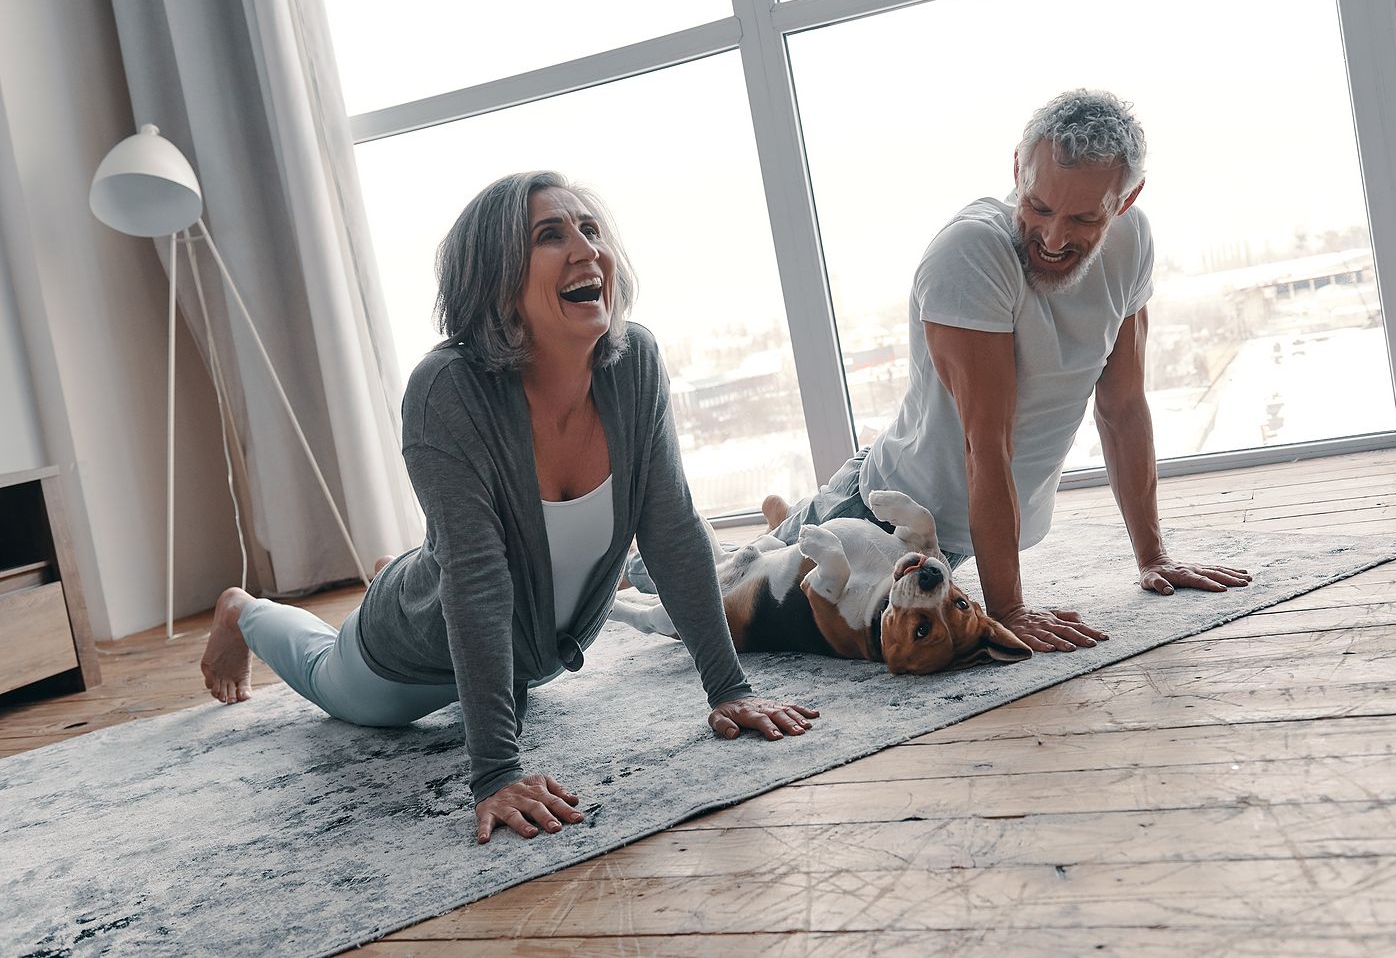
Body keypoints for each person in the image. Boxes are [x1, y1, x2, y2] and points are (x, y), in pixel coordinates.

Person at [200, 171, 819, 845]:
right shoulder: (447, 389)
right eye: (550, 236)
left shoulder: (634, 361)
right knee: (335, 684)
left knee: (469, 597)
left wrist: (728, 688)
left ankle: (399, 571)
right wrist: (496, 773)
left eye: (589, 228)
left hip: (531, 649)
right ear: (495, 280)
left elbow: (671, 531)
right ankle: (246, 612)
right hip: (415, 654)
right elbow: (477, 579)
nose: (586, 249)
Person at [630, 89, 1250, 650]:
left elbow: (1123, 410)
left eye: (1085, 219)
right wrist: (1010, 608)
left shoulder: (1132, 243)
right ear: (1017, 170)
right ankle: (638, 567)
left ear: (1126, 200)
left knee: (731, 576)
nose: (1054, 237)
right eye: (1037, 205)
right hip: (876, 515)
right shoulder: (971, 253)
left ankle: (696, 554)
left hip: (956, 537)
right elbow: (987, 442)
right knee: (711, 604)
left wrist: (1154, 557)